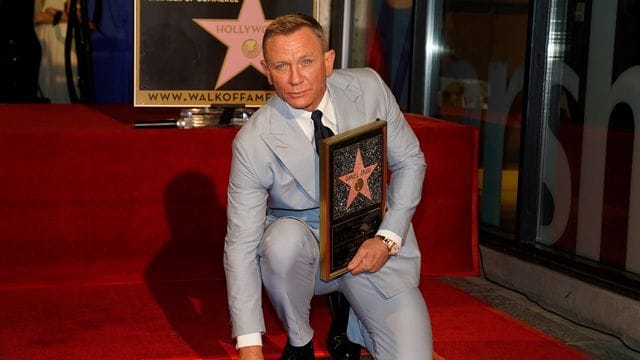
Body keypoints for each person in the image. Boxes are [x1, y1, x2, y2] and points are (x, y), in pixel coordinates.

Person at [224, 13, 432, 360]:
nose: (294, 79)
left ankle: (352, 315)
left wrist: (387, 238)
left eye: (306, 61)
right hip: (304, 253)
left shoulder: (369, 89)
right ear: (266, 70)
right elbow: (240, 243)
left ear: (328, 60)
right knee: (281, 243)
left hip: (370, 245)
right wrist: (249, 345)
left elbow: (410, 161)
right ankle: (300, 338)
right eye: (281, 65)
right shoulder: (253, 141)